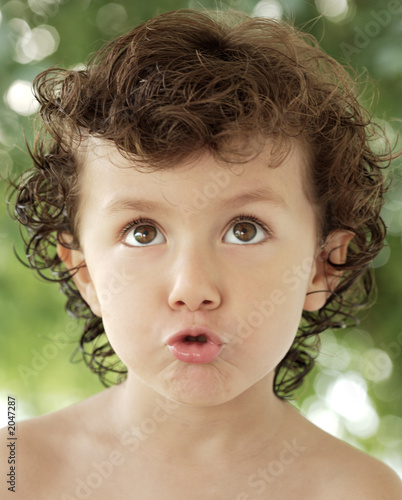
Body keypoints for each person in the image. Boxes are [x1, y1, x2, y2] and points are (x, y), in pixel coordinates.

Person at [2, 8, 402, 499]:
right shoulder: (16, 473)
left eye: (245, 230)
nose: (192, 288)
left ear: (322, 267)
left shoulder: (359, 491)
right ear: (84, 272)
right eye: (142, 233)